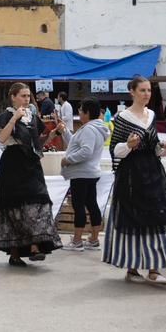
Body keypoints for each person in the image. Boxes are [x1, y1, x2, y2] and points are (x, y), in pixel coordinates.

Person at [103, 76, 166, 285]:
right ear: (132, 92)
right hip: (132, 174)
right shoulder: (121, 118)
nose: (146, 94)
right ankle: (132, 267)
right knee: (134, 218)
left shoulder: (151, 115)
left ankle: (154, 268)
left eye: (149, 91)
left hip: (153, 172)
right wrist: (129, 144)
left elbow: (154, 147)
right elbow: (115, 150)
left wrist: (165, 148)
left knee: (158, 215)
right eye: (142, 90)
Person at [0, 82, 60, 266]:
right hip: (12, 165)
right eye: (22, 96)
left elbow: (37, 141)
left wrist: (53, 134)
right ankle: (15, 253)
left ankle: (35, 245)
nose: (26, 99)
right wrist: (14, 118)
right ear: (13, 97)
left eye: (28, 96)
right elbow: (1, 139)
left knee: (39, 200)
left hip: (31, 164)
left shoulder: (32, 117)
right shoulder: (5, 116)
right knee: (14, 209)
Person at [61, 99, 108, 250]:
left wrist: (68, 160)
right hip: (90, 172)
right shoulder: (94, 128)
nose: (79, 113)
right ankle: (93, 239)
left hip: (81, 173)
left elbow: (85, 151)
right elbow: (76, 143)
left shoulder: (88, 129)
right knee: (91, 205)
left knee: (79, 206)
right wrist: (64, 132)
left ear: (87, 113)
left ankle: (77, 240)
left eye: (81, 110)